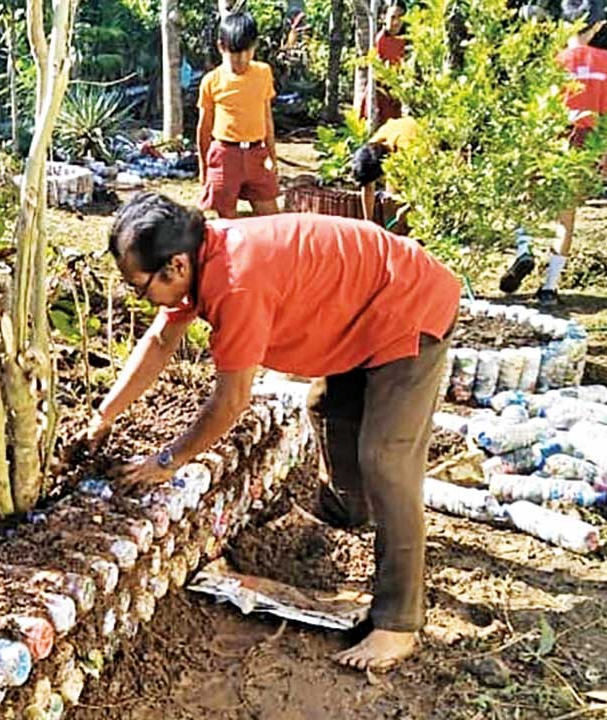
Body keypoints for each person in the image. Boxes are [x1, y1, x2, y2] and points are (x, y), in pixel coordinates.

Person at [88, 192, 460, 672]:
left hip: (407, 308)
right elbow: (161, 341)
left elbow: (230, 402)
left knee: (386, 460)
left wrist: (168, 461)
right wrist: (105, 413)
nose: (138, 298)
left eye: (138, 287)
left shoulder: (237, 283)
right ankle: (348, 515)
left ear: (174, 268)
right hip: (355, 313)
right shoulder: (201, 257)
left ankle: (398, 622)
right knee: (326, 407)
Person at [499, 0, 607, 304]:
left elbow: (535, 108)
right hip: (584, 143)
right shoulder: (605, 61)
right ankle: (549, 289)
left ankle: (524, 249)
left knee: (521, 199)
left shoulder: (553, 60)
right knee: (566, 218)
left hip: (549, 137)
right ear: (596, 25)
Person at [196, 12, 280, 219]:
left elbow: (267, 117)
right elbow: (204, 128)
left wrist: (272, 155)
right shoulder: (211, 81)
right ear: (221, 47)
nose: (241, 59)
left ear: (255, 46)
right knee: (228, 224)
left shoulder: (263, 73)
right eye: (234, 53)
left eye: (246, 52)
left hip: (256, 153)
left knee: (271, 219)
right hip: (224, 155)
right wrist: (204, 169)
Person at [351, 115, 419, 226]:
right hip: (397, 152)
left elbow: (423, 187)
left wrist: (407, 208)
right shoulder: (373, 146)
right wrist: (368, 222)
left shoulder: (408, 148)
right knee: (391, 198)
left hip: (427, 153)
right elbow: (367, 186)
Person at [366, 2, 408, 126]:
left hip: (395, 96)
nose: (396, 22)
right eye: (393, 17)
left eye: (400, 17)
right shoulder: (379, 40)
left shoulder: (405, 41)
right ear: (383, 17)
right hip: (379, 95)